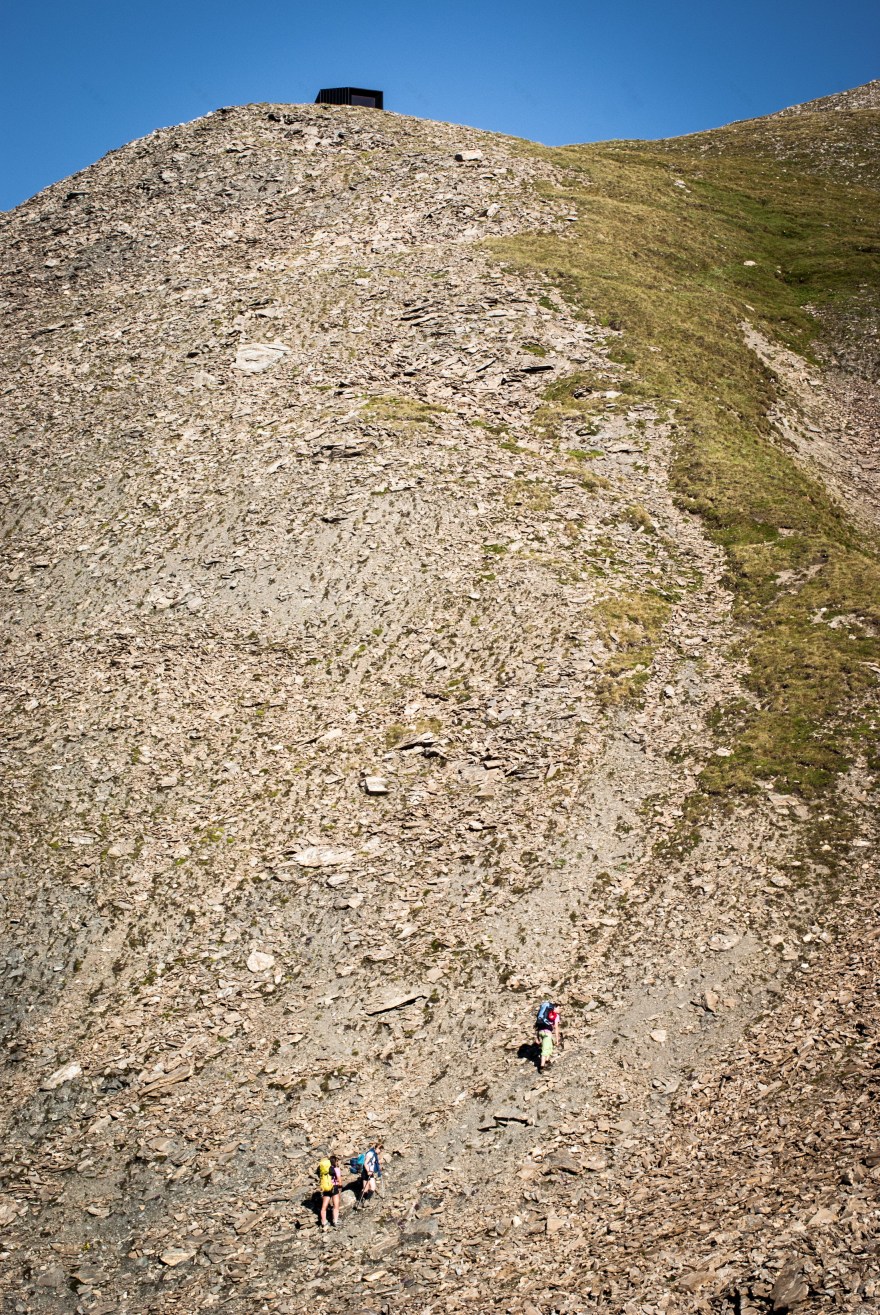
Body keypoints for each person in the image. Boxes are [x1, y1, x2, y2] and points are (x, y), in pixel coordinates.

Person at [535, 1000, 561, 1072]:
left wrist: (537, 1037)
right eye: (559, 1008)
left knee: (550, 1047)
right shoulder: (556, 1016)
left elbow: (537, 1026)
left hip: (541, 1032)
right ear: (555, 1008)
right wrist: (557, 1039)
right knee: (545, 1049)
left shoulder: (544, 1015)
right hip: (547, 1033)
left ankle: (547, 1061)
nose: (560, 1010)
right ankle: (542, 1067)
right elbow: (556, 1028)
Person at [318, 1153, 342, 1228]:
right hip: (334, 1187)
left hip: (326, 1188)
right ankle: (335, 1221)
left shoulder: (324, 1171)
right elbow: (340, 1182)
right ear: (335, 1162)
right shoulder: (336, 1169)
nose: (337, 1162)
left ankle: (324, 1222)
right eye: (337, 1161)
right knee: (336, 1205)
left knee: (324, 1206)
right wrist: (340, 1185)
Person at [358, 1141, 383, 1206]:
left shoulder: (374, 1154)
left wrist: (378, 1163)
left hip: (370, 1172)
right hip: (366, 1172)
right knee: (365, 1189)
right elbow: (365, 1163)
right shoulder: (370, 1153)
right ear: (377, 1148)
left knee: (373, 1187)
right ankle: (358, 1202)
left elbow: (372, 1162)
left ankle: (366, 1201)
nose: (380, 1152)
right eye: (380, 1150)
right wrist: (368, 1171)